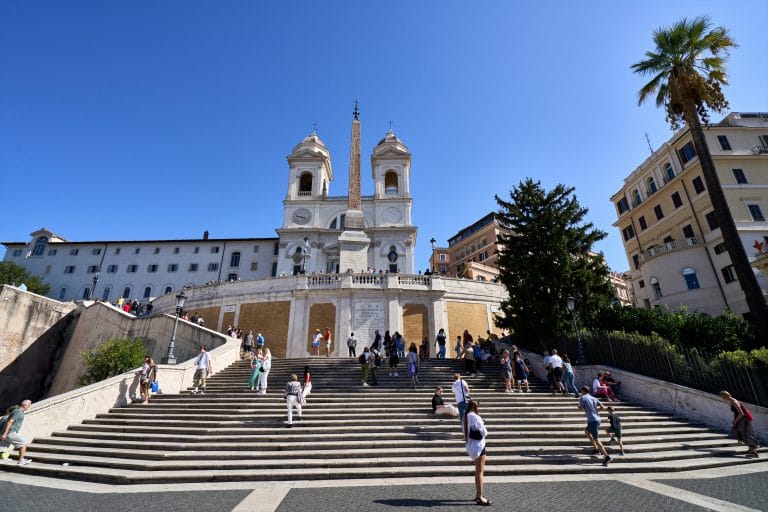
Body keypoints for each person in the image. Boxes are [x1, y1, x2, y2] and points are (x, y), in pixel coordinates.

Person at [464, 400, 491, 506]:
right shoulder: (475, 417)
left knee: (477, 471)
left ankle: (478, 494)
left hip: (470, 445)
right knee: (480, 471)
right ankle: (480, 496)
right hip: (479, 445)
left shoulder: (464, 417)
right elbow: (485, 432)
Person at [578, 385, 611, 466]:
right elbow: (603, 407)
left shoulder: (582, 398)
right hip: (597, 419)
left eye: (581, 390)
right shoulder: (594, 398)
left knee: (597, 439)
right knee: (587, 431)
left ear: (583, 391)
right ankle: (596, 449)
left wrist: (578, 406)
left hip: (592, 421)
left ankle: (607, 456)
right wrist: (596, 411)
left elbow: (580, 408)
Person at [720, 390, 759, 458]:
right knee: (744, 434)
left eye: (723, 397)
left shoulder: (734, 402)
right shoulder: (732, 401)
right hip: (741, 420)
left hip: (743, 420)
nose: (723, 399)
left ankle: (753, 452)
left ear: (725, 396)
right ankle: (751, 450)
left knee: (744, 434)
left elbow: (741, 413)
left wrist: (735, 421)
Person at [0, 399, 32, 465]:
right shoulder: (19, 412)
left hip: (7, 433)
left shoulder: (18, 411)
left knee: (2, 447)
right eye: (29, 405)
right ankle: (21, 460)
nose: (29, 407)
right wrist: (5, 433)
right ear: (25, 405)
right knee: (23, 443)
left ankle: (2, 459)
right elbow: (10, 422)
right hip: (10, 432)